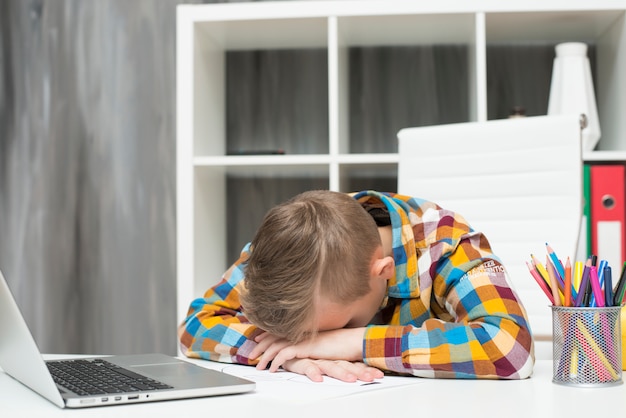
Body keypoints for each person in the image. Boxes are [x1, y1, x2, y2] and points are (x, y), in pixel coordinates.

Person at [178, 190, 534, 382]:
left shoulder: (446, 244)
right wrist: (287, 356)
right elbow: (194, 325)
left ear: (383, 272)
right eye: (306, 336)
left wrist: (353, 341)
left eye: (340, 324)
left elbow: (510, 346)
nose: (313, 345)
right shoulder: (289, 243)